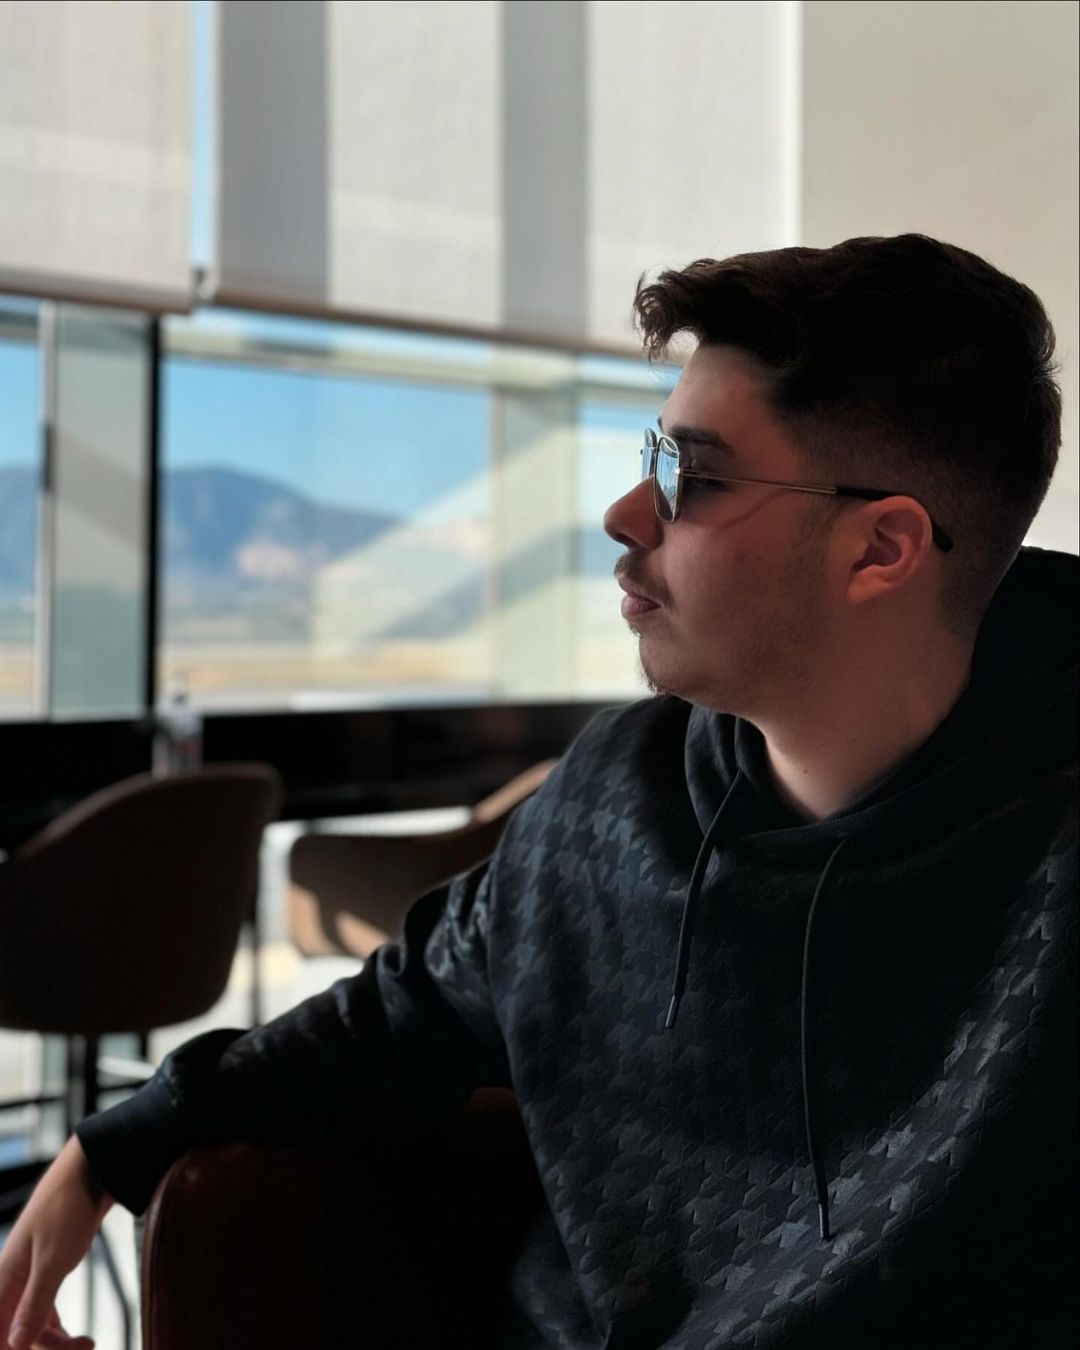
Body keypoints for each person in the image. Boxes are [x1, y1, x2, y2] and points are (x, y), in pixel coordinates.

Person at [1, 233, 1076, 1349]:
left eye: (695, 477)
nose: (625, 513)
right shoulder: (616, 798)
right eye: (652, 455)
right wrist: (112, 1147)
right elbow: (398, 1019)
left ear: (880, 550)